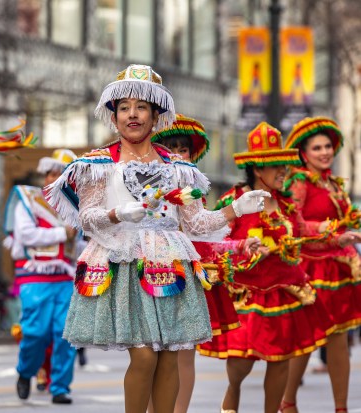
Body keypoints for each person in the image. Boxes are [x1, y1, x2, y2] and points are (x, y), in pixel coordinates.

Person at [45, 64, 269, 413]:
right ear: (114, 115)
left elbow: (195, 224)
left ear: (156, 114)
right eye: (124, 107)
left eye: (141, 107)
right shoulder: (97, 164)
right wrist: (120, 214)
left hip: (169, 263)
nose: (132, 114)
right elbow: (87, 219)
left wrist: (237, 209)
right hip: (123, 264)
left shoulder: (179, 167)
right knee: (145, 356)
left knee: (168, 357)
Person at [198, 122, 336, 413]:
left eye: (284, 164)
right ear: (258, 168)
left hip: (284, 292)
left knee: (281, 361)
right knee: (239, 367)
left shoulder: (286, 205)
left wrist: (333, 235)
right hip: (247, 296)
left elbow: (303, 235)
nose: (283, 171)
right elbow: (212, 242)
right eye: (276, 165)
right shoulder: (233, 202)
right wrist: (243, 251)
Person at [152, 114, 260, 413]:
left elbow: (202, 233)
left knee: (183, 354)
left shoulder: (191, 192)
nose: (176, 153)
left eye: (183, 148)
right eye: (169, 146)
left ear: (191, 154)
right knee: (147, 354)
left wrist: (239, 243)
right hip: (143, 272)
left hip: (183, 277)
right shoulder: (140, 182)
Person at [280, 117, 361, 413]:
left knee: (339, 339)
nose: (325, 152)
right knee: (307, 339)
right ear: (303, 153)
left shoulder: (332, 183)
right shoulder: (298, 182)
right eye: (317, 148)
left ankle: (341, 408)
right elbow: (294, 225)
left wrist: (349, 228)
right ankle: (287, 402)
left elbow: (346, 221)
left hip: (338, 268)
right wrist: (332, 232)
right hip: (312, 269)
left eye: (327, 146)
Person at [4, 148, 79, 404]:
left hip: (65, 277)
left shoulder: (76, 206)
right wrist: (63, 234)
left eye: (62, 174)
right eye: (52, 173)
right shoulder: (27, 200)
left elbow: (80, 246)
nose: (55, 178)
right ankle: (26, 372)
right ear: (45, 175)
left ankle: (59, 387)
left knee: (65, 333)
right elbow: (25, 236)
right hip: (34, 274)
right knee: (35, 332)